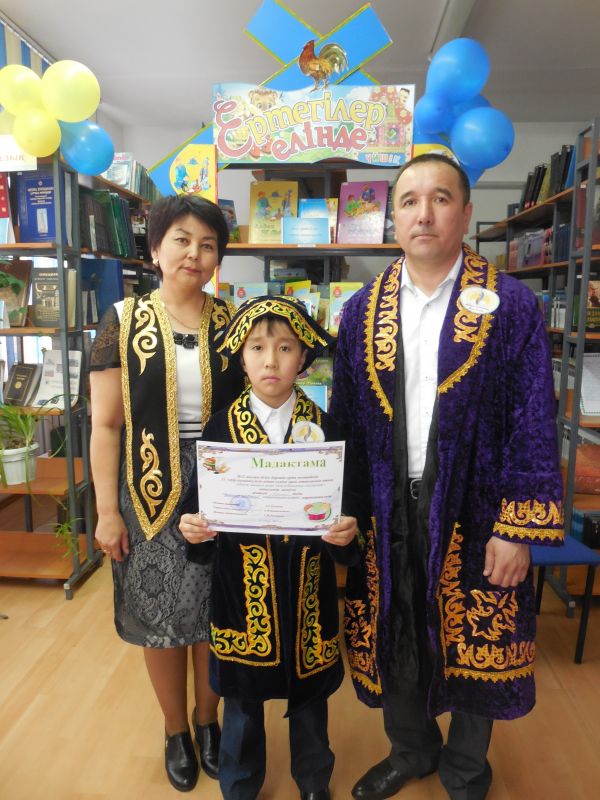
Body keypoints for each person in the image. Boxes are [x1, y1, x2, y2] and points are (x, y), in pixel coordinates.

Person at [330, 153, 564, 800]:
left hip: (478, 508)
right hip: (386, 506)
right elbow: (344, 421)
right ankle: (411, 750)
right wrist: (340, 508)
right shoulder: (361, 312)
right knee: (397, 627)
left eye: (440, 198)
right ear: (393, 218)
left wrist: (517, 529)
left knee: (474, 634)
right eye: (409, 201)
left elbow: (533, 421)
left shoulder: (512, 306)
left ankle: (466, 768)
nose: (424, 213)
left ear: (465, 212)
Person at [89, 195, 244, 792]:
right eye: (181, 239)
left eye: (208, 244)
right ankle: (175, 729)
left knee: (213, 612)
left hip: (222, 486)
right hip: (146, 487)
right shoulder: (122, 320)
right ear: (155, 248)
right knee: (160, 615)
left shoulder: (234, 321)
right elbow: (106, 425)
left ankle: (208, 720)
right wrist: (106, 512)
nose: (194, 254)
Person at [179, 295, 361, 800]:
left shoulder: (326, 429)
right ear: (241, 357)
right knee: (241, 701)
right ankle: (240, 784)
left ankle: (314, 781)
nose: (271, 361)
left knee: (311, 702)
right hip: (242, 592)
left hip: (308, 590)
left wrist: (348, 533)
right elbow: (198, 504)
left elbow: (350, 506)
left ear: (303, 357)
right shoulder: (220, 429)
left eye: (284, 347)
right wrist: (192, 527)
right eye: (257, 348)